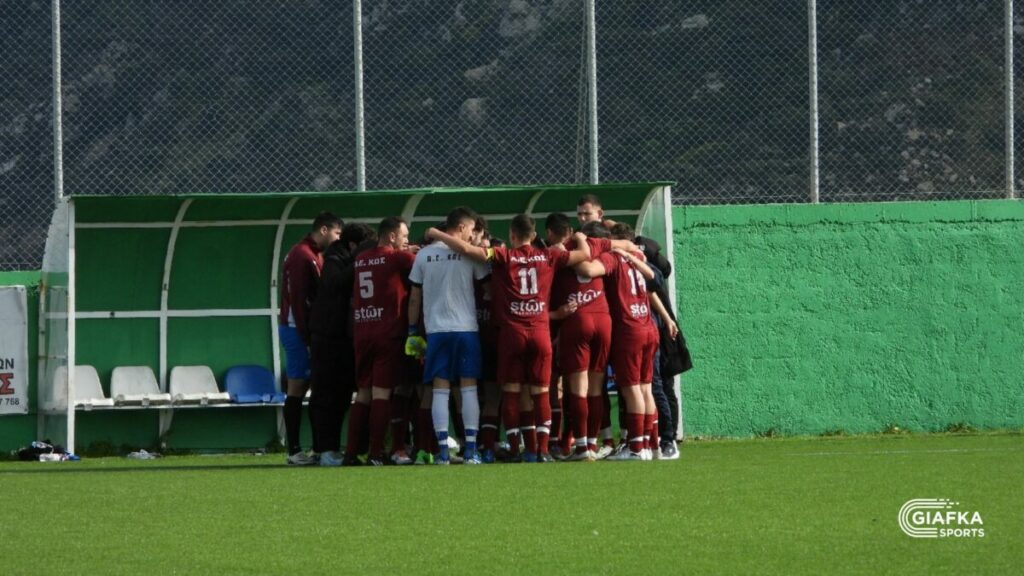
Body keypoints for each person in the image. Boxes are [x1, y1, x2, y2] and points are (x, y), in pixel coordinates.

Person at [427, 214, 590, 462]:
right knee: (541, 392)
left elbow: (467, 249)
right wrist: (580, 237)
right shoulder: (549, 256)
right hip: (540, 332)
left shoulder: (503, 256)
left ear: (512, 235)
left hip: (512, 334)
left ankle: (518, 450)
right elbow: (584, 255)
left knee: (511, 392)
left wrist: (437, 234)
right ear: (533, 236)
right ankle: (543, 450)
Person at [408, 207, 491, 464]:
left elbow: (414, 297)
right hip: (466, 329)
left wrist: (412, 331)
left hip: (436, 331)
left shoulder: (423, 255)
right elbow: (488, 289)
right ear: (462, 227)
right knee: (468, 388)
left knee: (440, 389)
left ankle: (443, 452)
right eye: (472, 229)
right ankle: (471, 450)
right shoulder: (469, 254)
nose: (473, 235)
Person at [575, 224, 659, 461]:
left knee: (632, 390)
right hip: (648, 325)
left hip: (629, 330)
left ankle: (636, 449)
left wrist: (572, 251)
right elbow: (651, 276)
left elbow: (588, 269)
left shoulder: (612, 257)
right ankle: (651, 446)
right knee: (646, 389)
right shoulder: (637, 256)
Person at [341, 217, 417, 467]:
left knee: (363, 393)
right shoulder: (399, 258)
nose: (406, 241)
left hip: (363, 331)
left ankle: (351, 453)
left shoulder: (361, 259)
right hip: (388, 333)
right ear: (392, 236)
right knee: (382, 393)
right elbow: (421, 265)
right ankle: (376, 452)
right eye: (404, 236)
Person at [279, 212, 342, 465]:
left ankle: (317, 448)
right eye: (336, 233)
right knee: (297, 386)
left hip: (302, 329)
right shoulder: (302, 255)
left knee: (312, 385)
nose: (338, 239)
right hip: (296, 328)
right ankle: (294, 450)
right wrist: (306, 336)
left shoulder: (313, 254)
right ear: (324, 230)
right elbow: (298, 299)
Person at [310, 223, 376, 466]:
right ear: (353, 245)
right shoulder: (334, 260)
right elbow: (334, 284)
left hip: (344, 338)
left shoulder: (342, 258)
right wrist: (359, 260)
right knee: (328, 396)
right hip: (328, 338)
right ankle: (325, 449)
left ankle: (343, 448)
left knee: (342, 395)